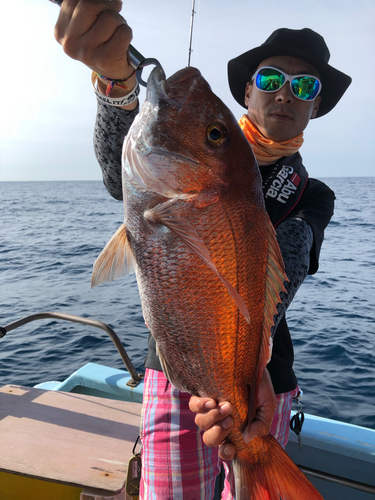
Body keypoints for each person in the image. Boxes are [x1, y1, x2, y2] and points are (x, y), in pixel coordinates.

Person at [55, 3, 351, 498]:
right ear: (247, 90)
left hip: (262, 384)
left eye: (306, 86)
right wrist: (116, 84)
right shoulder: (196, 151)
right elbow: (120, 175)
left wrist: (244, 384)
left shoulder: (313, 193)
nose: (286, 92)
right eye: (273, 77)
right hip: (172, 371)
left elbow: (288, 270)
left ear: (315, 106)